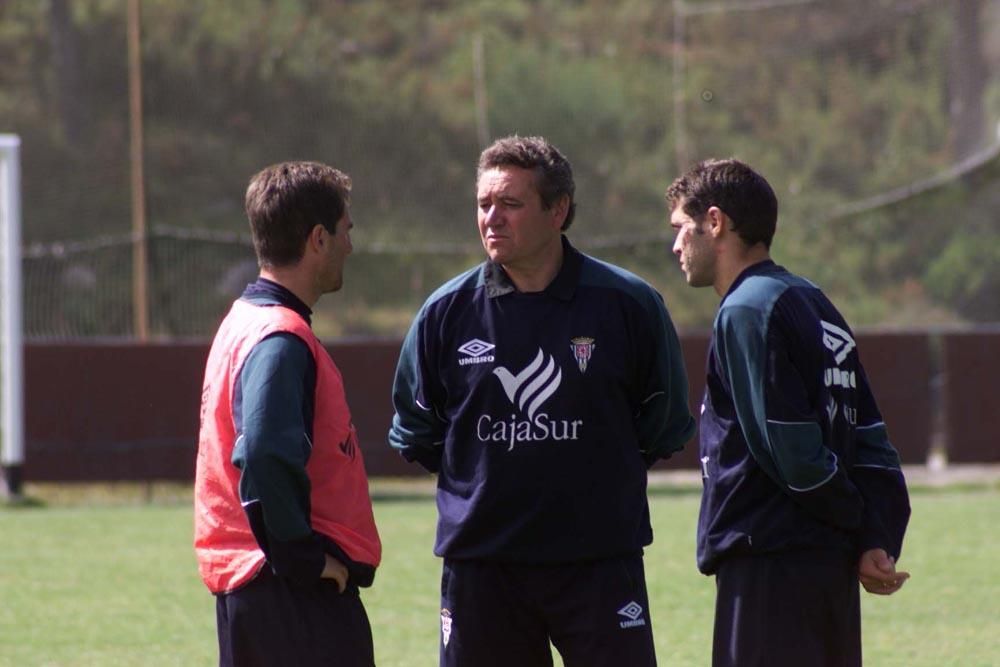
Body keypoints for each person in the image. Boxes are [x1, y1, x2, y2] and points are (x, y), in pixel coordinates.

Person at [389, 135, 696, 667]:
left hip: (598, 560)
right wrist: (483, 479)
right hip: (484, 568)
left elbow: (664, 422)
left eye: (510, 203)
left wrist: (601, 467)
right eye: (484, 204)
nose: (492, 218)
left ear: (559, 211)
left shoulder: (628, 304)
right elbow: (417, 429)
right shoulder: (445, 312)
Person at [665, 158, 911, 667]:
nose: (675, 247)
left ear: (716, 222)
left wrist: (855, 521)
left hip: (769, 569)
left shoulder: (746, 309)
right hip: (826, 570)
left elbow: (790, 449)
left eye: (681, 229)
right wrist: (873, 537)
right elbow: (871, 439)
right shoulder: (817, 304)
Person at [194, 161, 382, 667]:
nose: (351, 245)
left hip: (261, 591)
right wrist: (302, 560)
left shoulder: (243, 321)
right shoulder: (279, 337)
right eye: (346, 231)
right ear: (318, 238)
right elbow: (261, 452)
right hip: (289, 599)